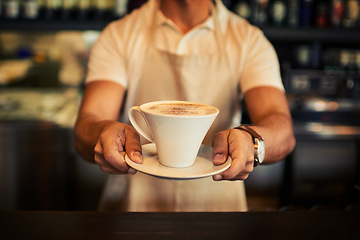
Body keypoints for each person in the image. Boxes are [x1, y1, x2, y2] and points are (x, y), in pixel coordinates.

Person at [74, 0, 296, 212]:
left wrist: (252, 140)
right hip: (133, 208)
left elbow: (282, 128)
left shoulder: (249, 40)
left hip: (219, 211)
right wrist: (102, 132)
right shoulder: (119, 35)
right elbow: (89, 122)